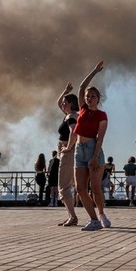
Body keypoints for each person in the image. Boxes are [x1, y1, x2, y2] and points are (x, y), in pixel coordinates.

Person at [64, 61, 111, 231]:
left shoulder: (101, 115)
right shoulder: (82, 109)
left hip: (93, 149)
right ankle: (94, 220)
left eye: (93, 96)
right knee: (81, 188)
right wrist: (94, 72)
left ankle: (101, 213)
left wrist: (95, 157)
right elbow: (81, 87)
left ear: (98, 99)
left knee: (96, 188)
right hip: (79, 150)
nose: (89, 98)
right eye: (88, 96)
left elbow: (100, 138)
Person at [55, 86, 79, 226]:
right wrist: (65, 91)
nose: (62, 104)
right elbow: (58, 103)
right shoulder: (71, 114)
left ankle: (73, 217)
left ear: (71, 103)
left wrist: (68, 147)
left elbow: (73, 131)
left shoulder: (71, 117)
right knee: (67, 185)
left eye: (65, 102)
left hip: (68, 153)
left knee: (63, 185)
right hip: (68, 152)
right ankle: (71, 215)